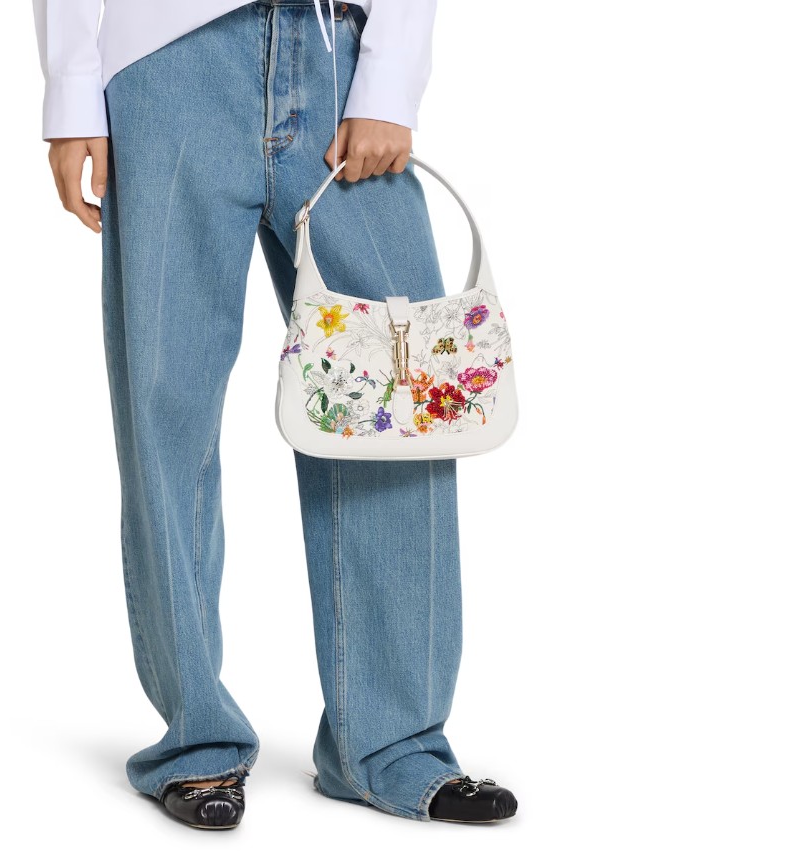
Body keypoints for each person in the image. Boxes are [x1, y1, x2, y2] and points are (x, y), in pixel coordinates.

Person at [31, 0, 518, 829]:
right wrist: (73, 88)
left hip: (338, 54)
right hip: (166, 61)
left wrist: (389, 78)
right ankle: (196, 741)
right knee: (167, 407)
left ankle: (393, 743)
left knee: (396, 405)